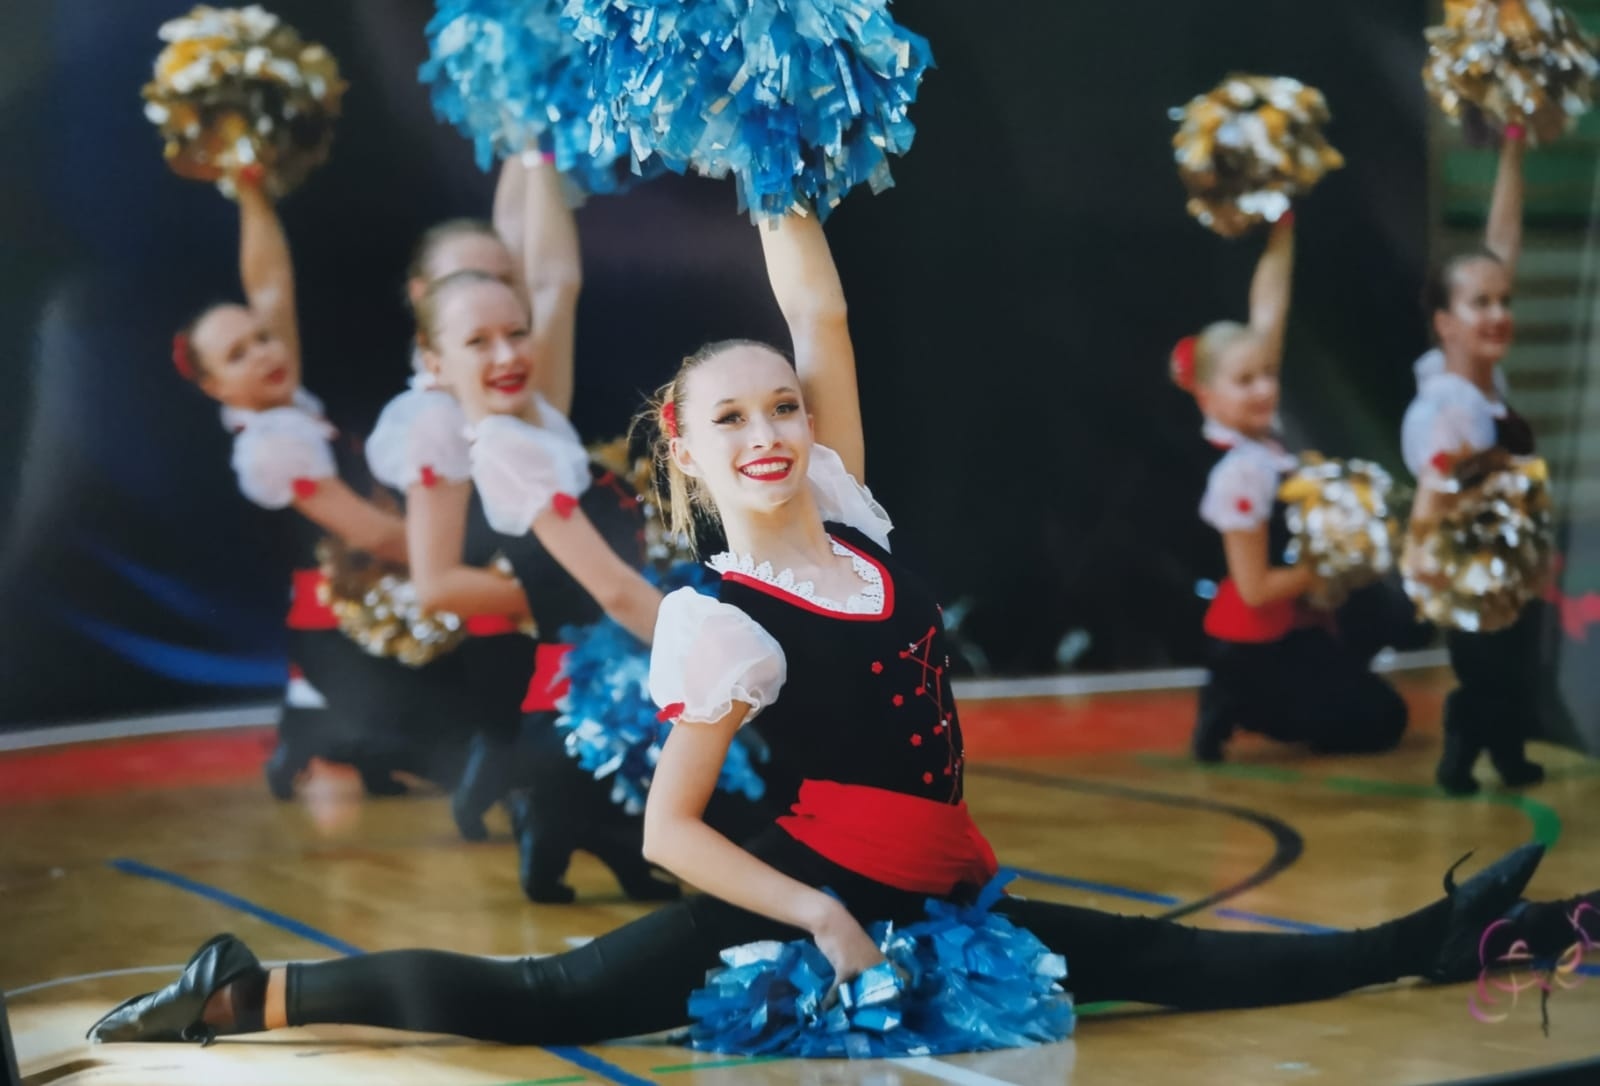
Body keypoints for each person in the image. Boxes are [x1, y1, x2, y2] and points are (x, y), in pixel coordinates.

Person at [91, 211, 1582, 1051]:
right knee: (541, 996)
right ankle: (245, 988)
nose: (770, 429)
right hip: (794, 910)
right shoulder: (714, 617)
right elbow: (676, 828)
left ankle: (1442, 929)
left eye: (782, 409)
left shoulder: (856, 523)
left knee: (1170, 960)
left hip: (946, 902)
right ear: (684, 452)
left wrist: (772, 150)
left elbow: (824, 318)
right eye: (732, 417)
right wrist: (806, 913)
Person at [173, 165, 468, 797]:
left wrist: (250, 189)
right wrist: (467, 556)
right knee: (447, 750)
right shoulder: (274, 448)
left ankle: (336, 725)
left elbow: (270, 285)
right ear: (216, 389)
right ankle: (318, 727)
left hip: (380, 601)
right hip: (342, 625)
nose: (264, 352)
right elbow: (375, 535)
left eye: (262, 339)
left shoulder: (288, 406)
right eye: (238, 354)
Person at [1177, 214, 1422, 762]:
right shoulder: (1239, 471)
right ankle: (1233, 702)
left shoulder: (1261, 435)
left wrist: (1282, 225)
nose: (1265, 387)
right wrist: (1337, 562)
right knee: (1379, 723)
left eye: (1269, 374)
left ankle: (1315, 681)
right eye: (1246, 381)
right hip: (1252, 645)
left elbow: (1268, 313)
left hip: (1294, 622)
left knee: (1386, 627)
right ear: (1207, 397)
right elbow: (1257, 588)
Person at [1402, 125, 1561, 795]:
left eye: (1504, 302)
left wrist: (1515, 145)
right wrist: (1417, 562)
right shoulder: (1451, 408)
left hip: (1499, 564)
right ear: (1445, 322)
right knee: (1491, 672)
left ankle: (1504, 752)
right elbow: (1439, 492)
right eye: (1480, 304)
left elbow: (1501, 247)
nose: (1499, 312)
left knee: (1517, 663)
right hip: (1465, 572)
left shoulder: (1478, 380)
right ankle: (1464, 744)